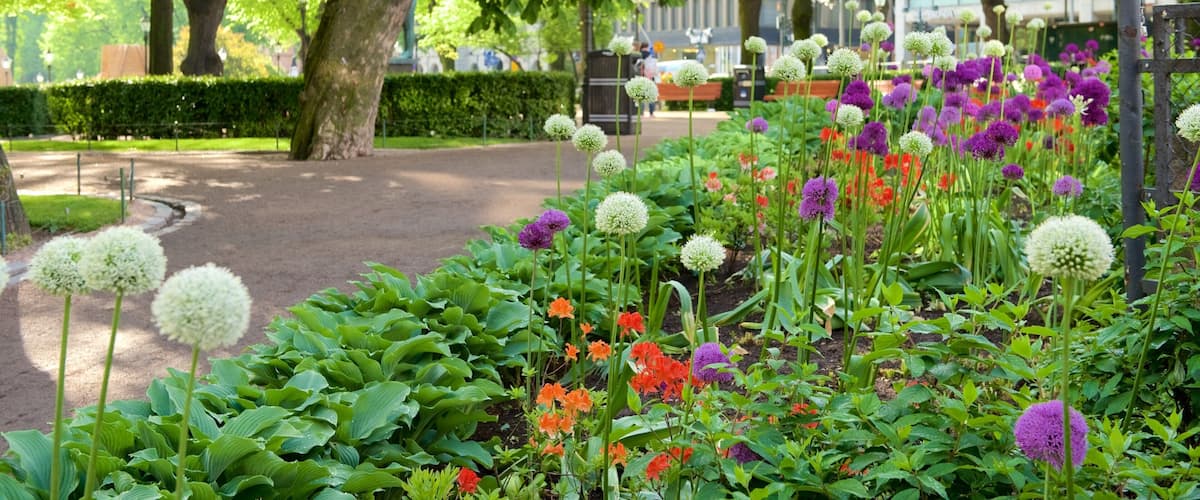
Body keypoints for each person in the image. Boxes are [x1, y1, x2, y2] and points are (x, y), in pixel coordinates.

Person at [638, 42, 658, 117]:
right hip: (650, 78)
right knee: (651, 95)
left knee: (641, 96)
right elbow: (655, 68)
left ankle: (641, 112)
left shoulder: (638, 55)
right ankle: (651, 112)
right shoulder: (652, 55)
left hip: (641, 77)